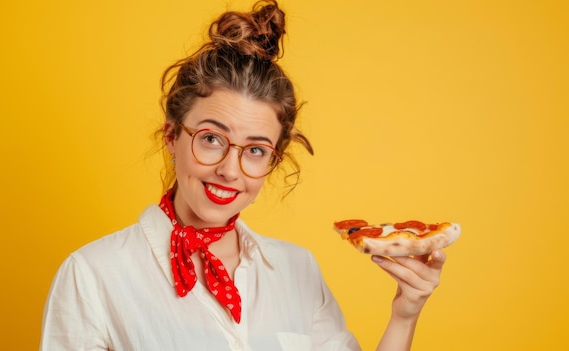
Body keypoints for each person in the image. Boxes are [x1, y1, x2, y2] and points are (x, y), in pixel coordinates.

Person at [40, 1, 446, 350]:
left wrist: (405, 313)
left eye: (255, 150)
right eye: (212, 139)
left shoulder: (297, 268)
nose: (229, 171)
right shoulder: (93, 274)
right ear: (171, 135)